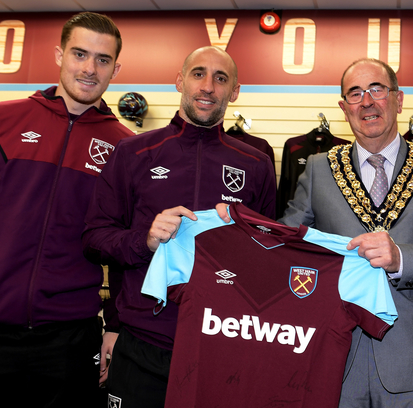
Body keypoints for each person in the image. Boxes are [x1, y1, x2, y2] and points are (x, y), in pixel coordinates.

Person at [224, 58, 413, 406]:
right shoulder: (319, 168)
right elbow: (286, 244)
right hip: (334, 357)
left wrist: (401, 257)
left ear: (398, 99)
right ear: (344, 108)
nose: (367, 101)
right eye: (355, 93)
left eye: (377, 90)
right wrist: (233, 225)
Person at [0, 12, 131, 407]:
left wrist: (114, 326)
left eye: (102, 59)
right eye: (80, 53)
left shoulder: (124, 148)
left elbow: (122, 251)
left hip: (70, 335)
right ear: (59, 54)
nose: (89, 68)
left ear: (117, 68)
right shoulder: (2, 119)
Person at [82, 46, 276, 408]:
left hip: (222, 345)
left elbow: (267, 257)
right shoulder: (133, 152)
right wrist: (146, 240)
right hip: (143, 344)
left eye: (221, 78)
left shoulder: (257, 163)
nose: (208, 87)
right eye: (198, 74)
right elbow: (94, 239)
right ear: (179, 81)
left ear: (234, 91)